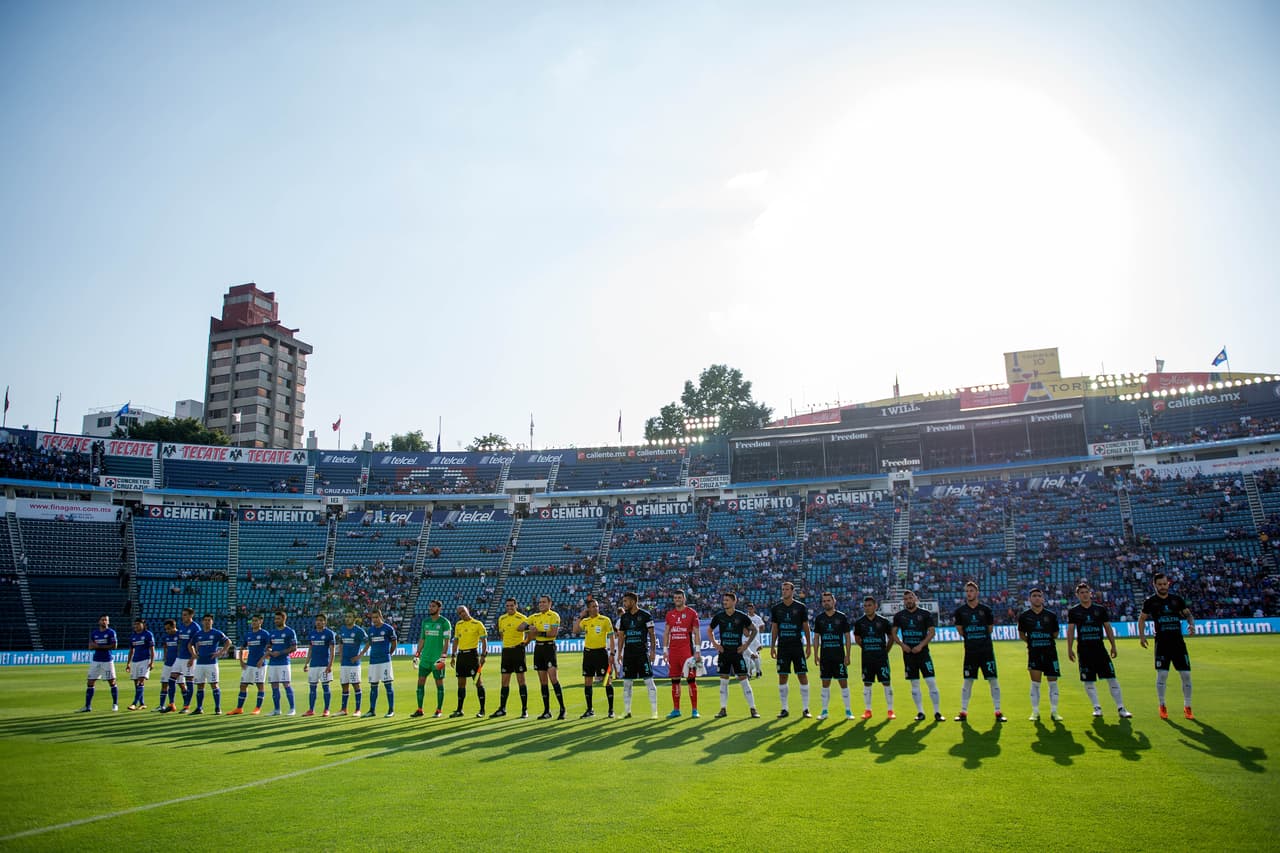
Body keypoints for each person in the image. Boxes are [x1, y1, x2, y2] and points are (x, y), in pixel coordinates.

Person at [1065, 582, 1132, 719]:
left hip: (1100, 649)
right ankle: (1097, 707)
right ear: (1077, 595)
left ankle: (1121, 707)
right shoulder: (1074, 611)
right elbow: (1071, 630)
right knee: (1088, 680)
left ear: (1090, 594)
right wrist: (1069, 649)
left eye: (1086, 592)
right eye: (1081, 593)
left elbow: (1107, 627)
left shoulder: (1100, 609)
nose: (1084, 595)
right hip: (1084, 650)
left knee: (1112, 678)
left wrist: (1113, 645)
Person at [1138, 572, 1196, 720]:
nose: (1163, 586)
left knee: (1186, 675)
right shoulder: (1150, 602)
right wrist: (1142, 636)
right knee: (1162, 675)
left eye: (1165, 584)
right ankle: (1162, 705)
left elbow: (1188, 614)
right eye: (1160, 584)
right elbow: (1142, 618)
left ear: (1168, 584)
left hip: (1178, 643)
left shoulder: (1177, 600)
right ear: (1155, 585)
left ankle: (1188, 706)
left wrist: (1191, 625)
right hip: (1162, 643)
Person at [954, 581, 1007, 723]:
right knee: (968, 681)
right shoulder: (960, 611)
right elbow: (960, 630)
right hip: (970, 652)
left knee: (993, 680)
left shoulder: (986, 610)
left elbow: (990, 629)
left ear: (977, 593)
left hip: (986, 651)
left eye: (971, 590)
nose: (969, 593)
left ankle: (998, 711)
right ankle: (963, 712)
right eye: (967, 591)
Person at [891, 590, 943, 722]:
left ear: (915, 599)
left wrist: (921, 645)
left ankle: (937, 712)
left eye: (910, 598)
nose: (908, 601)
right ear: (904, 601)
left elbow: (932, 632)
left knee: (931, 682)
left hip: (923, 654)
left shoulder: (925, 614)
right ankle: (920, 712)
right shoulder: (899, 616)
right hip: (908, 655)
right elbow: (894, 633)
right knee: (914, 684)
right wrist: (902, 645)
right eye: (906, 599)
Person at [707, 591, 759, 718]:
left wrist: (746, 645)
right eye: (724, 600)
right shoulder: (719, 616)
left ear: (734, 601)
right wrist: (715, 644)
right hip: (724, 653)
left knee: (744, 680)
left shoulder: (741, 616)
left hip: (737, 653)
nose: (724, 602)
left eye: (727, 600)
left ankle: (753, 709)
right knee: (723, 682)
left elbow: (754, 630)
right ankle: (723, 709)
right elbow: (709, 630)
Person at [1017, 589, 1061, 722]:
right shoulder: (1024, 616)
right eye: (1034, 596)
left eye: (1039, 596)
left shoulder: (1051, 615)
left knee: (1053, 683)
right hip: (1034, 653)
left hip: (1050, 653)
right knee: (1035, 683)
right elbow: (1022, 634)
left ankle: (1054, 711)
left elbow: (1055, 634)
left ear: (1043, 599)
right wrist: (1031, 642)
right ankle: (1035, 712)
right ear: (1029, 599)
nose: (1037, 598)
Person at [770, 581, 812, 718]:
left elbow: (806, 626)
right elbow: (774, 628)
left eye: (787, 589)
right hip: (783, 647)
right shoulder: (776, 608)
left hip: (797, 646)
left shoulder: (800, 607)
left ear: (792, 591)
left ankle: (806, 709)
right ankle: (784, 708)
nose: (784, 591)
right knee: (782, 676)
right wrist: (772, 646)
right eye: (783, 589)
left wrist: (809, 645)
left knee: (802, 675)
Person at [615, 591, 659, 719]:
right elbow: (621, 636)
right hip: (628, 655)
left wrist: (653, 651)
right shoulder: (624, 618)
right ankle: (627, 711)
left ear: (633, 601)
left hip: (642, 654)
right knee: (627, 683)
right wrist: (619, 653)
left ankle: (654, 712)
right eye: (623, 601)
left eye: (626, 601)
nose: (624, 604)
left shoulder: (645, 615)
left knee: (649, 681)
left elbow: (652, 634)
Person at [812, 591, 853, 720]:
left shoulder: (841, 617)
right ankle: (824, 711)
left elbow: (847, 637)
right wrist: (816, 655)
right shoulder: (819, 618)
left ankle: (848, 711)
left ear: (834, 601)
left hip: (839, 656)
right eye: (824, 601)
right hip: (825, 657)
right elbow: (816, 638)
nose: (826, 603)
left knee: (843, 683)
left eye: (828, 600)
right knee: (825, 684)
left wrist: (848, 655)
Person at [853, 596, 895, 720]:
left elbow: (891, 637)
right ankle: (868, 710)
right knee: (867, 683)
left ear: (875, 606)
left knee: (886, 682)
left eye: (869, 605)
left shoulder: (883, 621)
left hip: (881, 658)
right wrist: (866, 647)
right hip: (867, 658)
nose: (867, 608)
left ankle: (890, 710)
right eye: (865, 606)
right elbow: (857, 638)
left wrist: (886, 651)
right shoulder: (860, 622)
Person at [490, 598, 531, 718]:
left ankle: (524, 709)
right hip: (506, 651)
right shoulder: (501, 619)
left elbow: (530, 634)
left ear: (516, 606)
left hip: (518, 651)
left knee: (521, 680)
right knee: (504, 681)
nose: (509, 608)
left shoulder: (523, 618)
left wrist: (525, 642)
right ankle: (502, 709)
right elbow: (502, 634)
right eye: (507, 606)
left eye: (511, 605)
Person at [663, 589, 701, 719]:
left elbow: (696, 633)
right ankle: (676, 710)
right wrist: (665, 651)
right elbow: (666, 633)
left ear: (684, 599)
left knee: (691, 680)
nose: (677, 600)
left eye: (680, 597)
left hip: (687, 652)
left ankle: (694, 710)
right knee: (675, 681)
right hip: (673, 652)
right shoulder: (670, 614)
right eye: (675, 598)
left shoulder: (691, 613)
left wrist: (697, 650)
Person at [574, 598, 614, 718]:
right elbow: (575, 630)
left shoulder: (605, 620)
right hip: (588, 654)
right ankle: (590, 710)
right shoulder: (585, 621)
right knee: (587, 681)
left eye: (597, 606)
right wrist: (580, 616)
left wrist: (612, 654)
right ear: (588, 609)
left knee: (607, 680)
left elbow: (611, 637)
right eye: (593, 606)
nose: (596, 608)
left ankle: (611, 710)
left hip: (601, 653)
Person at [527, 595, 566, 720]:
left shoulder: (554, 616)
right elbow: (520, 627)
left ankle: (562, 709)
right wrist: (529, 627)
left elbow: (553, 633)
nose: (541, 604)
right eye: (540, 602)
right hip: (538, 649)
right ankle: (547, 711)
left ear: (550, 603)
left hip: (549, 648)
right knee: (543, 681)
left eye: (544, 602)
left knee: (553, 679)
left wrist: (537, 632)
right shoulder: (534, 616)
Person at [412, 600, 452, 718]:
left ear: (439, 608)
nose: (430, 608)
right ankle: (420, 709)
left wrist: (443, 657)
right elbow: (422, 639)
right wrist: (417, 654)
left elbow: (447, 641)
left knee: (439, 683)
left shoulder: (445, 622)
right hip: (425, 659)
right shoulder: (425, 622)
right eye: (430, 606)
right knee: (420, 682)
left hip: (437, 659)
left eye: (433, 606)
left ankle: (439, 710)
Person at [188, 613, 232, 715]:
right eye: (205, 620)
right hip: (200, 664)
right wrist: (193, 654)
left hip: (211, 664)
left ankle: (217, 708)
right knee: (200, 685)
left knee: (214, 684)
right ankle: (199, 708)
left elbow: (228, 642)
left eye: (209, 620)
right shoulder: (198, 634)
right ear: (202, 622)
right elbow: (190, 644)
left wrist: (221, 652)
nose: (207, 622)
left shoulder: (216, 633)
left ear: (212, 622)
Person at [449, 605, 488, 717]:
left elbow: (484, 641)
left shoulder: (478, 624)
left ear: (468, 610)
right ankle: (459, 710)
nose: (462, 614)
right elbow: (456, 640)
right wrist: (453, 655)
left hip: (472, 656)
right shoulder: (458, 624)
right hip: (461, 656)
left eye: (463, 611)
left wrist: (483, 655)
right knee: (461, 683)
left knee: (478, 682)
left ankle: (482, 710)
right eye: (459, 613)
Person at [228, 613, 270, 715]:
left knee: (260, 686)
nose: (254, 623)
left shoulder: (265, 634)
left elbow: (269, 649)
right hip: (249, 664)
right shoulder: (248, 635)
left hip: (260, 665)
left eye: (256, 620)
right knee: (243, 685)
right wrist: (241, 661)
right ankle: (239, 708)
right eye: (253, 621)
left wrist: (262, 659)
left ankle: (257, 708)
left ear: (261, 621)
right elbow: (242, 648)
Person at [77, 614, 118, 713]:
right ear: (99, 621)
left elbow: (114, 646)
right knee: (90, 682)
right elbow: (90, 646)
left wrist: (98, 646)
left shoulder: (111, 632)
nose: (104, 621)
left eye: (106, 620)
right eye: (102, 620)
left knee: (112, 682)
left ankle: (115, 704)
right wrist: (96, 646)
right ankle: (87, 706)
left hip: (107, 660)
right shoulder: (94, 633)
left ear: (108, 622)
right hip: (96, 660)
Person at [363, 609, 398, 718]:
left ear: (380, 617)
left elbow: (394, 643)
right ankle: (372, 710)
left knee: (388, 685)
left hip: (385, 661)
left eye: (376, 617)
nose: (374, 620)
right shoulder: (370, 630)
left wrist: (389, 653)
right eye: (372, 618)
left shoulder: (388, 628)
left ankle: (391, 710)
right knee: (373, 686)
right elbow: (370, 643)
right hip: (373, 661)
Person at [265, 610, 299, 716]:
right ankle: (277, 710)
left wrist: (279, 653)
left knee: (286, 684)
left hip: (284, 663)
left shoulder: (290, 632)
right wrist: (269, 652)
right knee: (274, 685)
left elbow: (294, 648)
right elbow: (268, 646)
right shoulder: (272, 633)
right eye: (275, 619)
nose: (276, 621)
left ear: (284, 619)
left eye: (278, 619)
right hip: (272, 663)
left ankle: (292, 709)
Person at [302, 613, 336, 717]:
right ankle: (311, 710)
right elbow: (310, 650)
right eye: (317, 620)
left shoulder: (329, 633)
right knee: (312, 688)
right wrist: (306, 663)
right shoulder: (312, 634)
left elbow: (332, 651)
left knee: (325, 687)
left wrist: (330, 665)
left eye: (321, 620)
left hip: (324, 665)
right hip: (313, 665)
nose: (318, 622)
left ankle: (326, 709)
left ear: (325, 622)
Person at [335, 611, 368, 717]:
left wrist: (359, 656)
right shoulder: (343, 629)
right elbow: (341, 642)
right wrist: (340, 656)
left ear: (354, 619)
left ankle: (358, 710)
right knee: (344, 685)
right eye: (346, 616)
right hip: (344, 662)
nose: (347, 618)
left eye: (349, 617)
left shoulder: (359, 631)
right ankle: (343, 709)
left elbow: (369, 642)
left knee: (355, 684)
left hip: (354, 663)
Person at [171, 607, 199, 713]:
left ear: (191, 615)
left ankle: (186, 706)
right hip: (180, 657)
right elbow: (180, 642)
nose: (183, 617)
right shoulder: (182, 626)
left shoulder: (195, 627)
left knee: (189, 681)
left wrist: (193, 657)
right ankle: (171, 704)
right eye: (182, 614)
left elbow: (197, 643)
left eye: (185, 615)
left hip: (189, 657)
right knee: (171, 679)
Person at [125, 617, 154, 711]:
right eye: (135, 624)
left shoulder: (148, 634)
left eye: (138, 624)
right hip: (135, 661)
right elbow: (131, 650)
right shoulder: (133, 636)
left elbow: (152, 649)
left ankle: (134, 703)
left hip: (145, 660)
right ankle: (142, 703)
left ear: (143, 625)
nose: (136, 626)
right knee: (136, 683)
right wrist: (128, 663)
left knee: (141, 681)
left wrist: (152, 662)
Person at [156, 619, 181, 713]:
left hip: (178, 663)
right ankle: (161, 706)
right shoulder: (166, 636)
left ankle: (186, 706)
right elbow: (165, 646)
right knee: (164, 684)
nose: (167, 631)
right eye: (166, 629)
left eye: (169, 629)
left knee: (182, 685)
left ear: (174, 626)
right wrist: (165, 656)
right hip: (168, 664)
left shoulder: (179, 635)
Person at [745, 603, 766, 678]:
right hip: (747, 638)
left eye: (751, 609)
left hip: (755, 639)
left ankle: (757, 671)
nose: (749, 610)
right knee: (748, 656)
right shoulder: (745, 617)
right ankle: (750, 672)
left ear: (753, 609)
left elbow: (762, 626)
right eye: (748, 609)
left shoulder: (758, 618)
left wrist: (759, 632)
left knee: (755, 655)